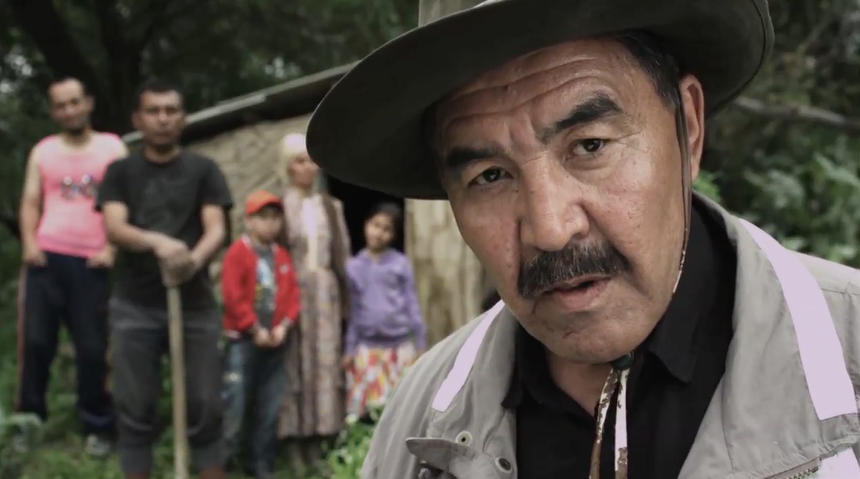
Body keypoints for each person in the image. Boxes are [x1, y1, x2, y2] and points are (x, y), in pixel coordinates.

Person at [306, 0, 860, 478]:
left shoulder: (847, 353)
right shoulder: (422, 416)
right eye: (490, 176)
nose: (550, 230)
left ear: (687, 128)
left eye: (590, 145)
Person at [96, 79, 233, 479]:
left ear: (182, 118)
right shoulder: (121, 172)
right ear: (138, 119)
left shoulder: (204, 170)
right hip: (134, 306)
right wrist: (158, 243)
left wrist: (192, 260)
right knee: (135, 404)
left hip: (194, 305)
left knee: (205, 403)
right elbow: (115, 228)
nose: (162, 119)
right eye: (153, 111)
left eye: (171, 110)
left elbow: (216, 229)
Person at [15, 77, 125, 457]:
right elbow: (30, 202)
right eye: (61, 105)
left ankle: (97, 425)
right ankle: (28, 422)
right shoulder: (43, 151)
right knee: (35, 344)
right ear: (53, 111)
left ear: (88, 103)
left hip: (92, 260)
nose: (69, 111)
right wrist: (29, 243)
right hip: (46, 257)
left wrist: (112, 247)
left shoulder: (112, 147)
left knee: (93, 348)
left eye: (75, 102)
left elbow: (125, 200)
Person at [276, 132, 351, 473]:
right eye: (299, 161)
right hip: (292, 291)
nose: (307, 168)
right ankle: (293, 440)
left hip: (324, 294)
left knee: (324, 364)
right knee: (294, 365)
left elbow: (342, 257)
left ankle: (321, 440)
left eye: (310, 161)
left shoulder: (330, 207)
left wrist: (347, 303)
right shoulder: (279, 207)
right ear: (287, 167)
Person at [220, 190, 300, 479]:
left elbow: (292, 296)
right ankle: (224, 464)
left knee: (269, 406)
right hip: (244, 341)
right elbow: (233, 296)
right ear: (249, 221)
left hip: (275, 342)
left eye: (274, 217)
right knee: (236, 403)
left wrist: (283, 327)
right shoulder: (237, 253)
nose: (270, 224)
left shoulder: (281, 256)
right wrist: (254, 328)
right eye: (263, 217)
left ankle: (260, 464)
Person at [343, 202, 426, 419]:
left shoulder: (400, 264)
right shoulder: (354, 267)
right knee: (368, 411)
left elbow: (412, 306)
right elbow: (354, 312)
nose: (378, 233)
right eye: (375, 225)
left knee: (400, 409)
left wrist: (420, 345)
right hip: (368, 349)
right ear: (366, 225)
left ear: (393, 235)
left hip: (399, 349)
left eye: (386, 229)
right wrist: (349, 349)